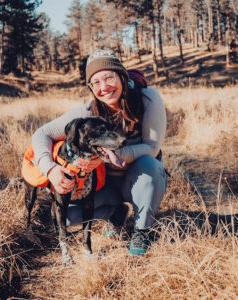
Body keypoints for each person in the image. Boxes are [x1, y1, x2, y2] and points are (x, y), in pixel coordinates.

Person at [32, 49, 167, 255]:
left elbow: (152, 147)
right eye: (96, 82)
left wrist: (103, 160)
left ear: (121, 76)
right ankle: (116, 213)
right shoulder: (88, 111)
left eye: (109, 78)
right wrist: (50, 170)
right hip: (106, 185)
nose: (104, 87)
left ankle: (142, 230)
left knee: (150, 165)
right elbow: (42, 133)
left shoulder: (147, 98)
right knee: (67, 218)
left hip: (140, 179)